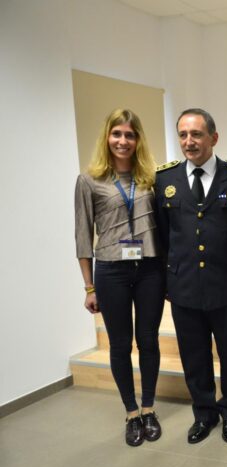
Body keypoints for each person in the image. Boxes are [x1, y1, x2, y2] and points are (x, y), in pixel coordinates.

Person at [154, 108, 227, 444]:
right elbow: (161, 234)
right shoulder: (165, 180)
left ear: (213, 138)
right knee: (194, 355)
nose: (189, 142)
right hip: (183, 286)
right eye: (183, 135)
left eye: (197, 134)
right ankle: (203, 414)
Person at [75, 108, 165, 446]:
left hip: (150, 269)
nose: (123, 141)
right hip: (111, 269)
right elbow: (83, 236)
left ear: (138, 139)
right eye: (117, 134)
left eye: (129, 134)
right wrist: (89, 286)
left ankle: (149, 407)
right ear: (107, 138)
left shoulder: (151, 179)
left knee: (149, 340)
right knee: (120, 344)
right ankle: (130, 412)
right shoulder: (89, 181)